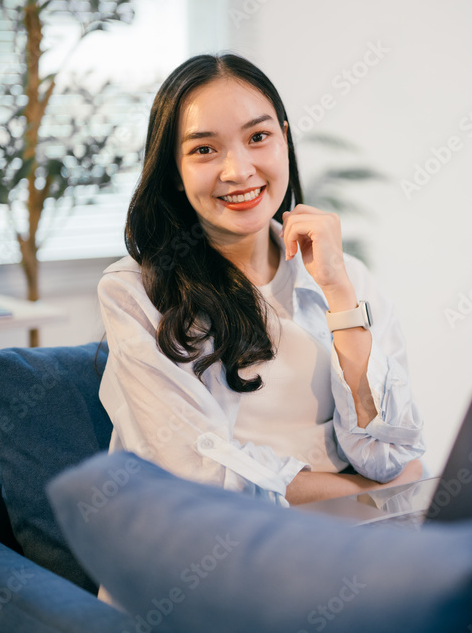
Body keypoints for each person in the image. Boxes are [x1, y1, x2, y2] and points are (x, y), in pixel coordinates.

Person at [96, 53, 426, 511]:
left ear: (284, 140)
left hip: (354, 543)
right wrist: (367, 496)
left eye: (258, 137)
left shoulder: (346, 278)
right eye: (204, 149)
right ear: (173, 169)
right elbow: (201, 474)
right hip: (221, 553)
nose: (238, 170)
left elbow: (389, 455)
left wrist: (338, 292)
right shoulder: (135, 292)